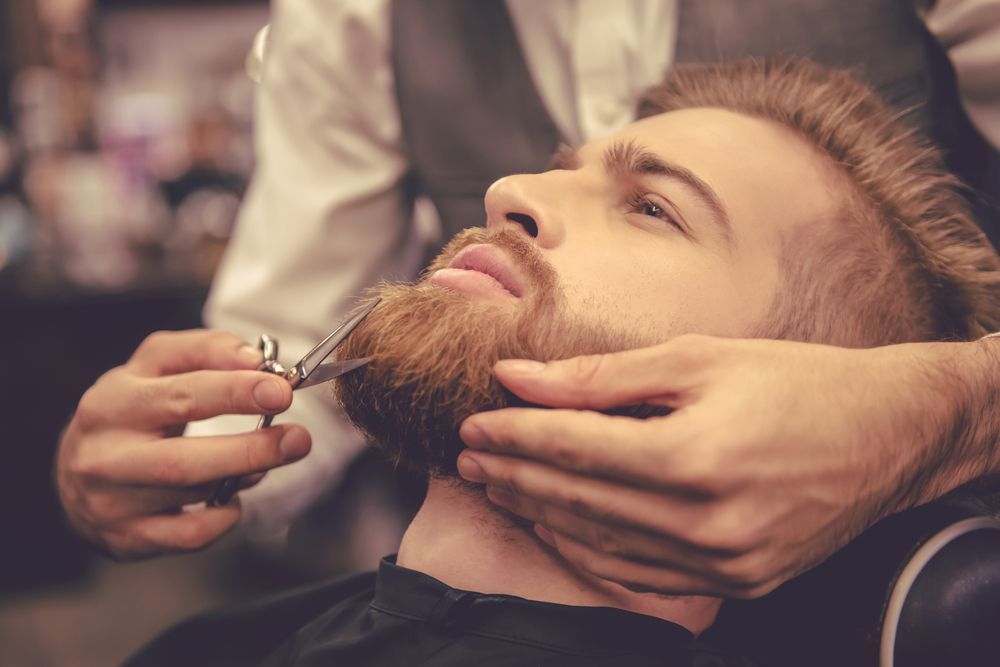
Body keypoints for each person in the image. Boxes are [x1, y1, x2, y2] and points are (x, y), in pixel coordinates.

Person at [55, 0, 1000, 596]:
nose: (508, 191)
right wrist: (174, 455)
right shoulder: (354, 18)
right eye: (557, 170)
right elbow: (299, 328)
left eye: (657, 209)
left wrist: (955, 407)